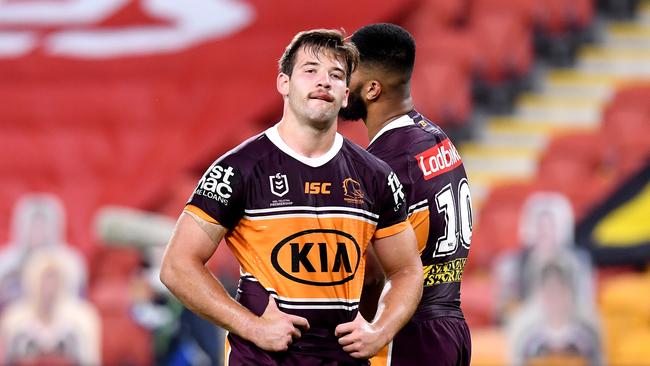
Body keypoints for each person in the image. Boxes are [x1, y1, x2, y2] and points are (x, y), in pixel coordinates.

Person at [159, 28, 423, 366]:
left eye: (336, 75)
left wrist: (380, 330)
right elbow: (177, 266)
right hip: (262, 359)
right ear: (284, 83)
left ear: (345, 95)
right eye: (310, 70)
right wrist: (250, 326)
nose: (324, 81)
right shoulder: (239, 169)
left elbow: (407, 270)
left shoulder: (376, 176)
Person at [339, 23, 472, 366]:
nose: (339, 84)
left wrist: (356, 342)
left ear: (371, 90)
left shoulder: (386, 163)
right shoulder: (437, 138)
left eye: (347, 74)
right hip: (451, 325)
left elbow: (371, 274)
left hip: (410, 333)